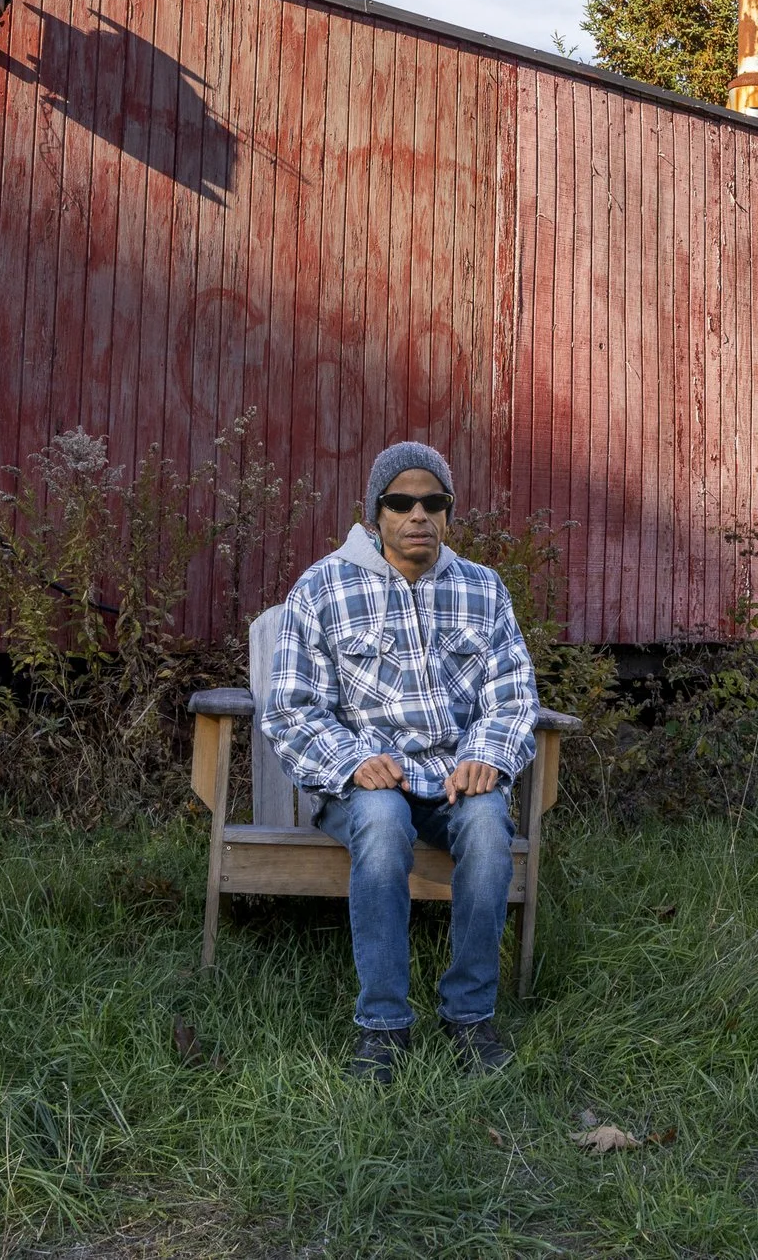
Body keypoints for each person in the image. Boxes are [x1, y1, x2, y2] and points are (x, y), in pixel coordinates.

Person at [261, 441, 541, 1083]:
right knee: (384, 826)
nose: (418, 515)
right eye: (401, 502)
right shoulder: (323, 588)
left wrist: (486, 758)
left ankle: (469, 1016)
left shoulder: (483, 590)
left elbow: (514, 694)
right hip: (365, 782)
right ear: (376, 513)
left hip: (452, 776)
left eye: (432, 502)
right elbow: (291, 708)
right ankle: (383, 1026)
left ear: (448, 512)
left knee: (488, 828)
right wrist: (355, 761)